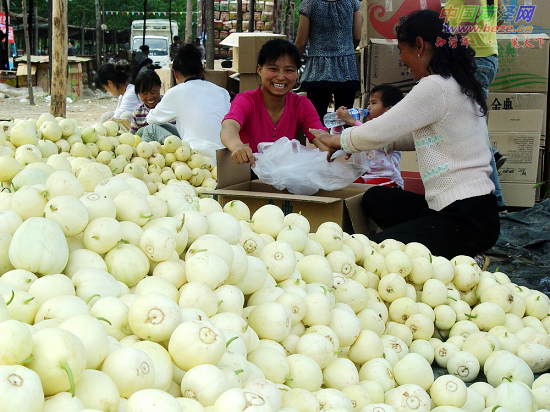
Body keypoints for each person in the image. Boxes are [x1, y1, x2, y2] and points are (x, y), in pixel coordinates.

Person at [311, 9, 500, 263]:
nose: (402, 60)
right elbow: (414, 137)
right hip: (475, 213)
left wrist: (338, 140)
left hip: (464, 219)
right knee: (375, 198)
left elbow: (382, 127)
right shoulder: (456, 83)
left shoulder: (435, 87)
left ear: (419, 45)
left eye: (402, 50)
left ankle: (461, 255)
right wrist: (353, 143)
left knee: (373, 252)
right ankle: (449, 247)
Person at [220, 39, 328, 167]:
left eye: (289, 70)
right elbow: (229, 126)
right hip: (247, 173)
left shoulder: (301, 104)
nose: (281, 77)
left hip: (285, 175)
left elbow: (322, 139)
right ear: (260, 70)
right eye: (273, 69)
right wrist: (237, 146)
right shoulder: (246, 100)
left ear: (297, 74)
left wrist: (344, 142)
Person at [445, 0, 507, 213]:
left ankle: (498, 204)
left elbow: (473, 13)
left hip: (472, 58)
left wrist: (449, 42)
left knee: (474, 132)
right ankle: (492, 154)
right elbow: (501, 17)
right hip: (485, 56)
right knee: (471, 128)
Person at [146, 43, 230, 147]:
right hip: (224, 152)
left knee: (149, 130)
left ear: (175, 73)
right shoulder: (221, 91)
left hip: (195, 153)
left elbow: (151, 119)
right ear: (201, 72)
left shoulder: (176, 92)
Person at [294, 0, 361, 121]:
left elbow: (301, 42)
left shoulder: (309, 3)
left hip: (318, 69)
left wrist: (293, 63)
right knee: (345, 119)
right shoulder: (352, 2)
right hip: (346, 67)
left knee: (316, 120)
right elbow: (357, 37)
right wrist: (345, 50)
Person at [334, 84, 404, 188]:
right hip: (367, 177)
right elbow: (342, 140)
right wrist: (338, 124)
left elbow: (371, 135)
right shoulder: (364, 128)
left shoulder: (392, 128)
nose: (368, 107)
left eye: (373, 103)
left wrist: (352, 121)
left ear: (389, 110)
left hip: (388, 180)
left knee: (368, 190)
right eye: (368, 103)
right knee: (346, 185)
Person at [130, 69, 177, 139]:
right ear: (138, 93)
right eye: (145, 93)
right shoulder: (138, 111)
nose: (149, 97)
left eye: (153, 92)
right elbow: (133, 136)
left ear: (159, 87)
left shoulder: (169, 107)